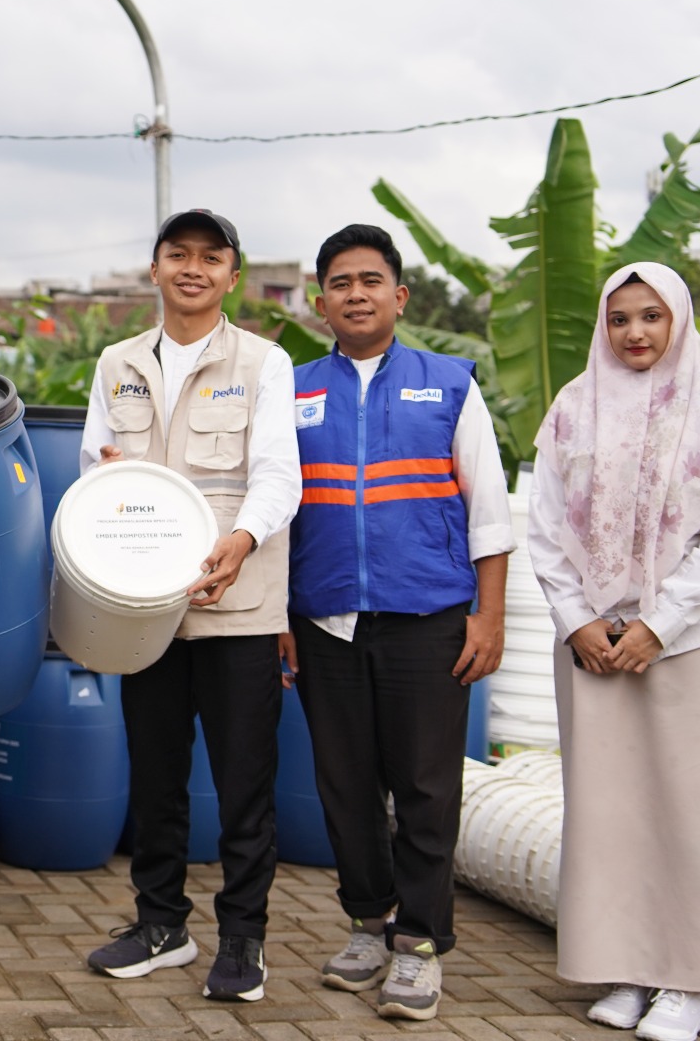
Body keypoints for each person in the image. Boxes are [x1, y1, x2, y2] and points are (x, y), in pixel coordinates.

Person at [278, 223, 513, 1021]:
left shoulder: (449, 382)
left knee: (423, 789)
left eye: (370, 280)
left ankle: (418, 946)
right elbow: (276, 511)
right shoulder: (295, 390)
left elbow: (489, 509)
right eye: (340, 283)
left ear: (399, 296)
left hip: (428, 619)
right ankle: (365, 927)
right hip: (326, 620)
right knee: (344, 787)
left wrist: (490, 616)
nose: (356, 294)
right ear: (319, 304)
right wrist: (281, 612)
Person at [529, 262, 700, 1041]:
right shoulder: (574, 408)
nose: (635, 332)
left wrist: (660, 623)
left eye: (652, 317)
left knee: (696, 816)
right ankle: (630, 970)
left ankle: (689, 986)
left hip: (690, 642)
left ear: (680, 322)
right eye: (620, 318)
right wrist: (577, 620)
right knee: (611, 816)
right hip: (595, 644)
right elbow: (547, 527)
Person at [77, 209, 301, 1002]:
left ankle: (244, 940)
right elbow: (89, 471)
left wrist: (238, 542)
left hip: (237, 605)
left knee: (245, 781)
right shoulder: (116, 363)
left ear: (232, 275)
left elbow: (280, 475)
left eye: (212, 258)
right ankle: (160, 925)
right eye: (180, 255)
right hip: (148, 609)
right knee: (157, 773)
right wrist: (106, 481)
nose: (194, 269)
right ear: (156, 269)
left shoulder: (266, 362)